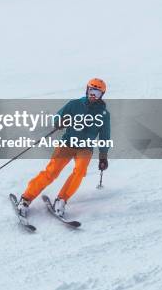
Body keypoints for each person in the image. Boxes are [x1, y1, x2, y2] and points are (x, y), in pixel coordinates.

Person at [18, 78, 110, 218]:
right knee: (52, 171)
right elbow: (57, 118)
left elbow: (105, 136)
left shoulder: (104, 115)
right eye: (91, 91)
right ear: (87, 90)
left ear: (101, 95)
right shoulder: (75, 104)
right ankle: (25, 199)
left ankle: (61, 200)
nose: (93, 95)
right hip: (67, 143)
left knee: (80, 172)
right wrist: (60, 122)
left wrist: (103, 157)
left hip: (85, 148)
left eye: (97, 93)